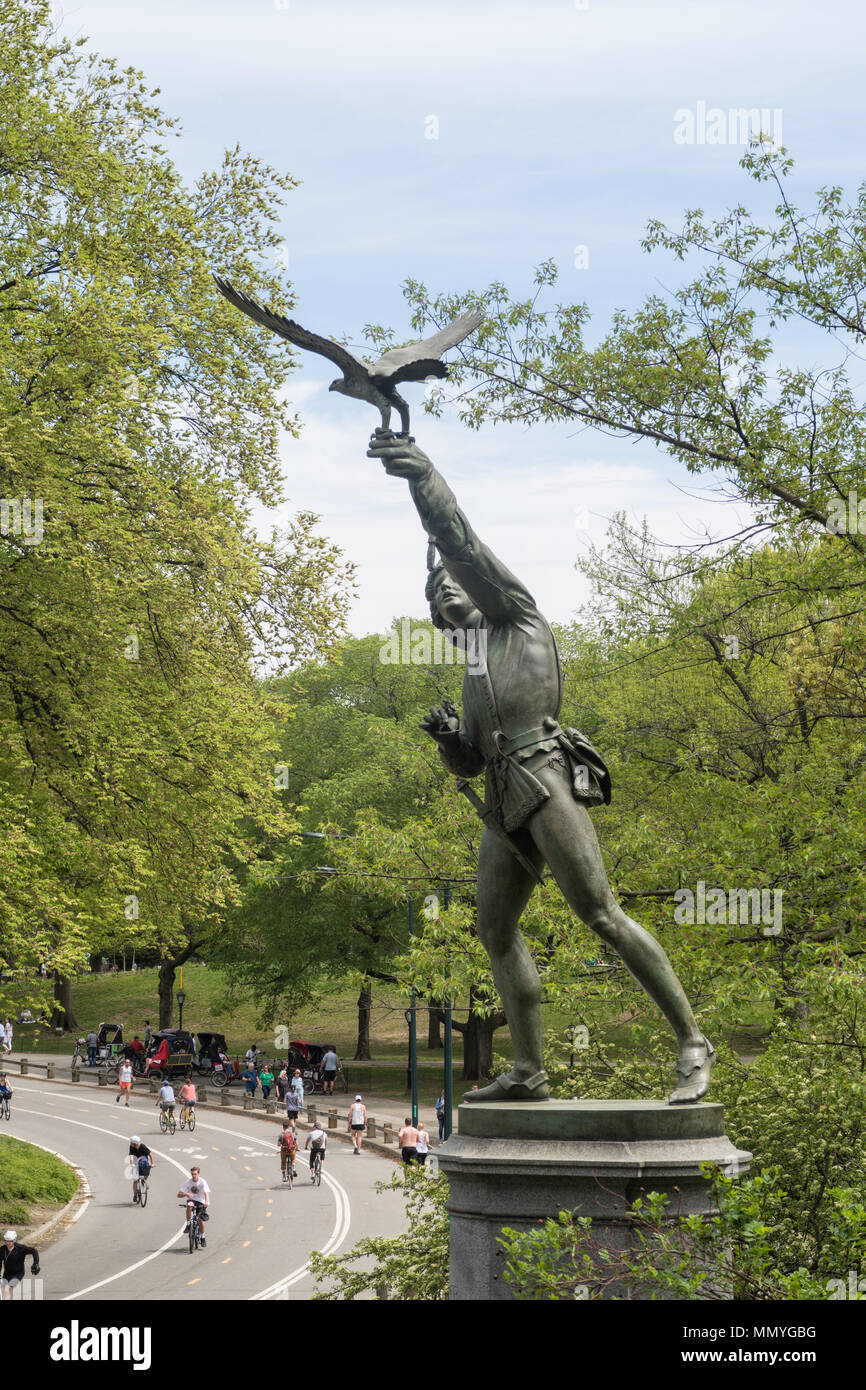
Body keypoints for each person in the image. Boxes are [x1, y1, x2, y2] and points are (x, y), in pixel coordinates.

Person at [369, 431, 714, 1104]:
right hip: (502, 800)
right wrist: (449, 743)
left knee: (599, 913)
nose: (443, 607)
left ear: (475, 593)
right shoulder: (474, 667)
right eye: (434, 605)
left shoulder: (518, 620)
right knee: (494, 930)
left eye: (450, 595)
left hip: (544, 775)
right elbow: (470, 761)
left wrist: (422, 479)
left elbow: (461, 543)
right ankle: (529, 1070)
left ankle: (691, 1041)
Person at [0, 1231, 39, 1299]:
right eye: (6, 1241)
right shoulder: (2, 1249)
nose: (8, 1243)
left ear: (14, 1240)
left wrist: (36, 1263)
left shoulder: (21, 1248)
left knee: (7, 1288)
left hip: (18, 1273)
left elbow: (34, 1251)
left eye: (10, 1241)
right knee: (7, 1291)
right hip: (7, 1273)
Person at [177, 1167, 210, 1246]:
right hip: (192, 1200)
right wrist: (186, 1194)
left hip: (201, 1201)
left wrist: (206, 1202)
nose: (193, 1176)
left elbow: (206, 1193)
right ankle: (188, 1225)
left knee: (201, 1220)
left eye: (195, 1174)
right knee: (189, 1205)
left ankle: (202, 1237)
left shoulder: (202, 1182)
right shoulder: (188, 1182)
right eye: (192, 1174)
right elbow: (178, 1194)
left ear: (198, 1174)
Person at [128, 1136, 154, 1204]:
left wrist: (152, 1163)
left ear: (134, 1143)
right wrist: (132, 1163)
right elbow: (131, 1156)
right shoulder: (132, 1147)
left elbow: (150, 1154)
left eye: (131, 1142)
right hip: (136, 1162)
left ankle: (144, 1181)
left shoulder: (143, 1147)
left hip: (144, 1162)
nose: (130, 1143)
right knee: (135, 1180)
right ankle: (135, 1194)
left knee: (146, 1173)